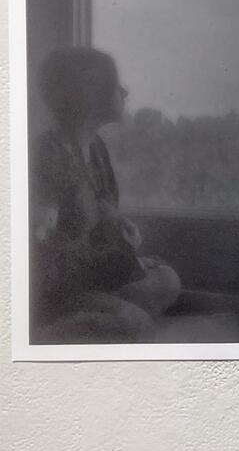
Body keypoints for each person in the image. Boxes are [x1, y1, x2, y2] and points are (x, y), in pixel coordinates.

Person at [30, 46, 180, 342]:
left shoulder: (97, 148)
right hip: (60, 292)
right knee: (134, 324)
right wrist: (114, 253)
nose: (124, 92)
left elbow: (102, 217)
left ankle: (109, 321)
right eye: (115, 84)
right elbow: (41, 255)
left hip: (93, 276)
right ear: (88, 93)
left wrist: (121, 235)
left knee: (168, 281)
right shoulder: (46, 156)